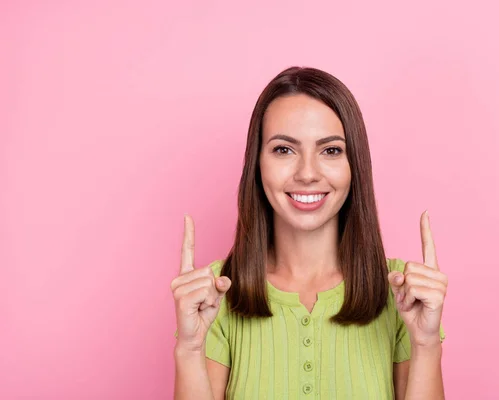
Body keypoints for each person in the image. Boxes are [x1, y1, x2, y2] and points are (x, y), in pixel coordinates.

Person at [171, 66, 448, 399]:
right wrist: (189, 348)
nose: (306, 173)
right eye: (284, 149)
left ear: (353, 165)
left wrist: (426, 342)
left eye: (330, 150)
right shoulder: (217, 292)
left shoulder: (402, 292)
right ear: (257, 164)